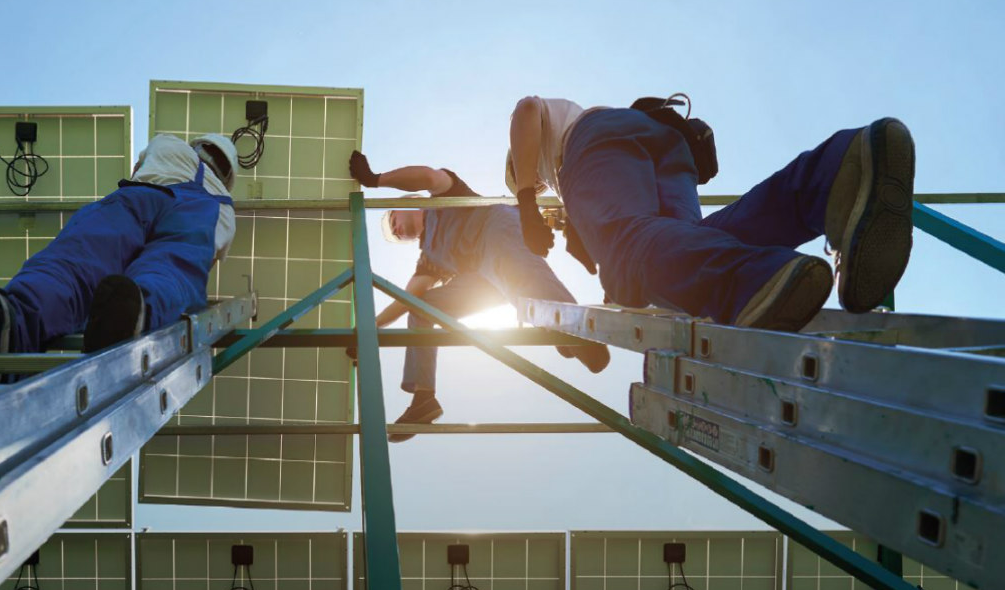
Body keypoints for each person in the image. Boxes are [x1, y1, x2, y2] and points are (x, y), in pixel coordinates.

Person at [506, 96, 915, 331]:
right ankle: (836, 172)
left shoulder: (546, 148)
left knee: (630, 254)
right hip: (660, 141)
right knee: (694, 243)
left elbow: (526, 109)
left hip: (597, 140)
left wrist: (524, 199)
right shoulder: (572, 150)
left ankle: (750, 281)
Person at [349, 150, 609, 442]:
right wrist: (368, 331)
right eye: (393, 235)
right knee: (420, 308)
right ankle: (424, 399)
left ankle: (575, 331)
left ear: (410, 203)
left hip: (495, 229)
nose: (395, 231)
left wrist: (375, 180)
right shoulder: (428, 260)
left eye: (393, 218)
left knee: (523, 274)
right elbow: (405, 298)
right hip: (482, 281)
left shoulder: (444, 196)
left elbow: (426, 175)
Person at [0, 133, 238, 380]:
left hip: (139, 197)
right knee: (169, 272)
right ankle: (135, 314)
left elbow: (139, 167)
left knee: (77, 260)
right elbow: (206, 258)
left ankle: (13, 321)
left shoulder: (168, 143)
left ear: (198, 145)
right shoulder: (226, 209)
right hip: (196, 217)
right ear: (228, 175)